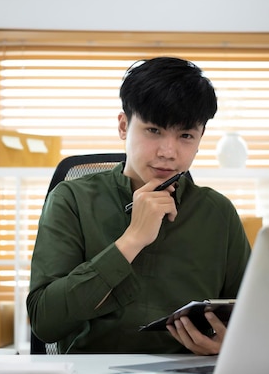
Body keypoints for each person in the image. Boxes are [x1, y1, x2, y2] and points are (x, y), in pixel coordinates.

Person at [26, 56, 251, 355]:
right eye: (153, 130)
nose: (168, 152)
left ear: (199, 140)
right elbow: (44, 322)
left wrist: (230, 344)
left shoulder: (218, 213)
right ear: (123, 126)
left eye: (185, 136)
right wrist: (132, 240)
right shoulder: (72, 200)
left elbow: (250, 318)